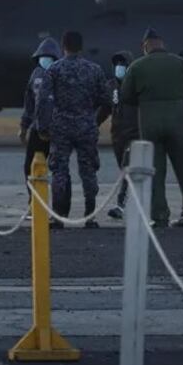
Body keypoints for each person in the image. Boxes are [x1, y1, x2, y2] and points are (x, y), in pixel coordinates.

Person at [120, 28, 183, 227]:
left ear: (145, 46)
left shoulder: (137, 66)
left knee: (156, 173)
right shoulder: (181, 64)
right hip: (177, 122)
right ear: (162, 43)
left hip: (149, 124)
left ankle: (160, 216)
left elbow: (126, 96)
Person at [36, 31, 109, 229]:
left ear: (63, 46)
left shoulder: (54, 69)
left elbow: (43, 101)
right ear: (81, 47)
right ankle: (90, 215)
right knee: (88, 170)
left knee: (59, 170)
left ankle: (58, 216)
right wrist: (95, 121)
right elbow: (107, 100)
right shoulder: (94, 70)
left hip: (61, 126)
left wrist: (43, 127)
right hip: (86, 125)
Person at [96, 51, 139, 220]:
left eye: (123, 64)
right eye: (117, 64)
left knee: (127, 168)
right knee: (124, 168)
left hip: (134, 133)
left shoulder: (136, 85)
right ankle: (134, 199)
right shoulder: (111, 86)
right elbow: (106, 108)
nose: (119, 67)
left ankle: (121, 204)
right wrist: (94, 124)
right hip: (117, 135)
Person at [19, 37, 61, 204]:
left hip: (57, 130)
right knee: (30, 166)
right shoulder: (35, 75)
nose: (45, 60)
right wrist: (24, 127)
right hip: (38, 129)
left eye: (49, 57)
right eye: (43, 57)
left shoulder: (62, 74)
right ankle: (34, 201)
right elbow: (29, 104)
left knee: (59, 169)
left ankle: (59, 208)